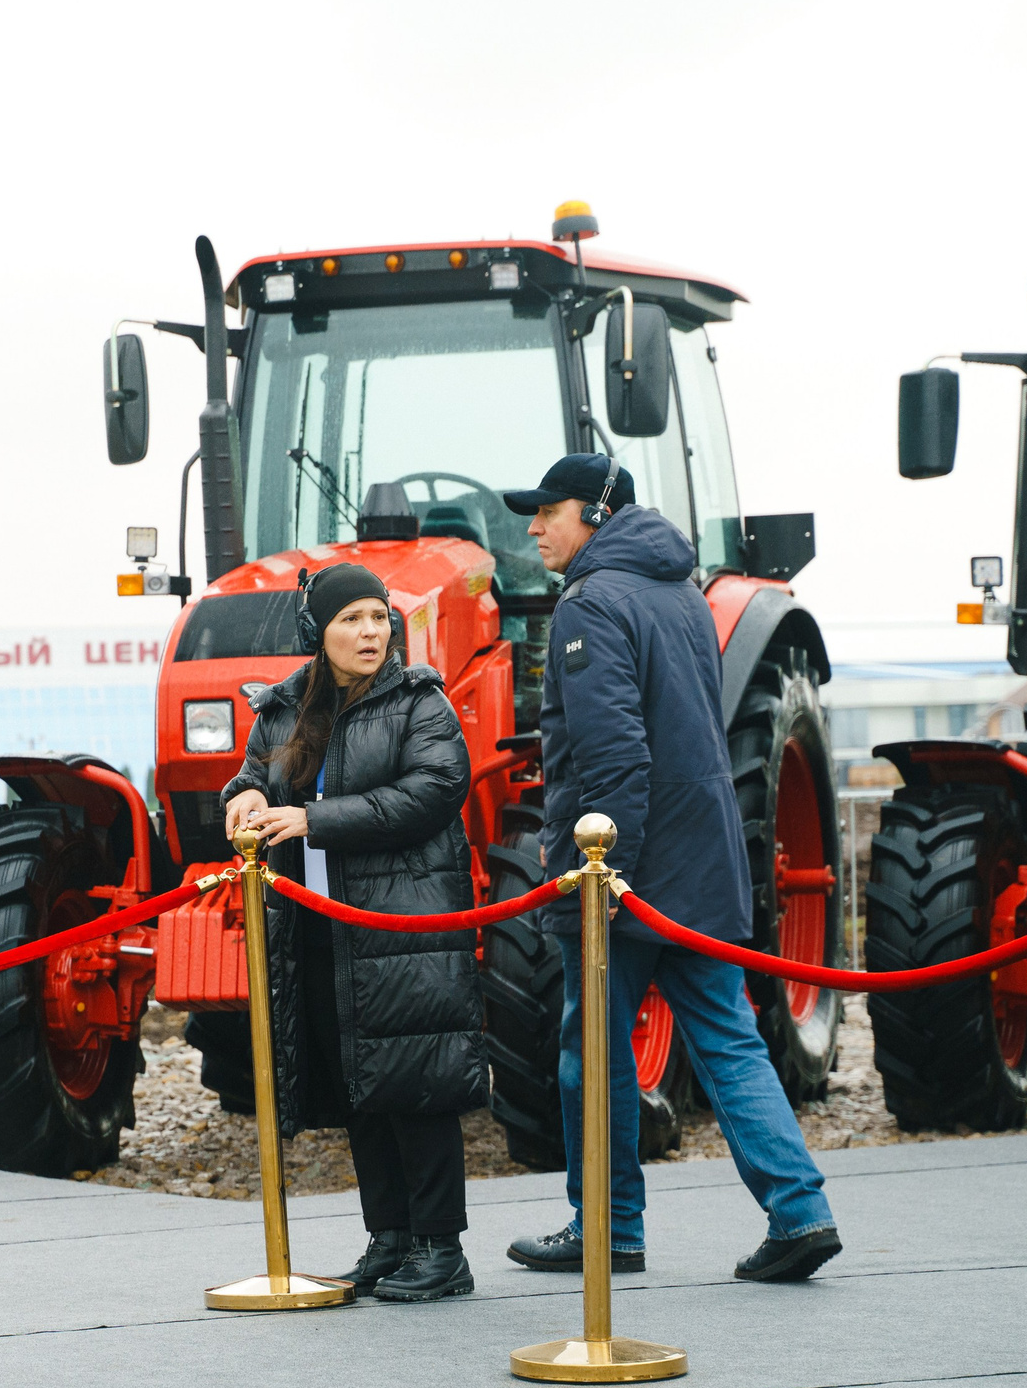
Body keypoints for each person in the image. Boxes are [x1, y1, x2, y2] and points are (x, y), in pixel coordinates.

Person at [498, 452, 842, 1283]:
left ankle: (609, 1228)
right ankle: (800, 1212)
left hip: (625, 869)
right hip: (700, 859)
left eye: (549, 511)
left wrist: (603, 877)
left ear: (596, 514)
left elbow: (614, 754)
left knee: (593, 1047)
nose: (535, 528)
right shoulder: (680, 591)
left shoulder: (590, 603)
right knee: (727, 1037)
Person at [223, 560, 486, 1303]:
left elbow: (434, 790)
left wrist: (316, 820)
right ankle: (391, 1239)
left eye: (378, 617)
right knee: (360, 1083)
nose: (371, 632)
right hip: (321, 925)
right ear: (320, 631)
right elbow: (253, 775)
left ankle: (441, 1250)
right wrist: (241, 799)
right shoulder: (285, 708)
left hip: (401, 924)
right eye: (352, 620)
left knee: (417, 1085)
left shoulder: (420, 701)